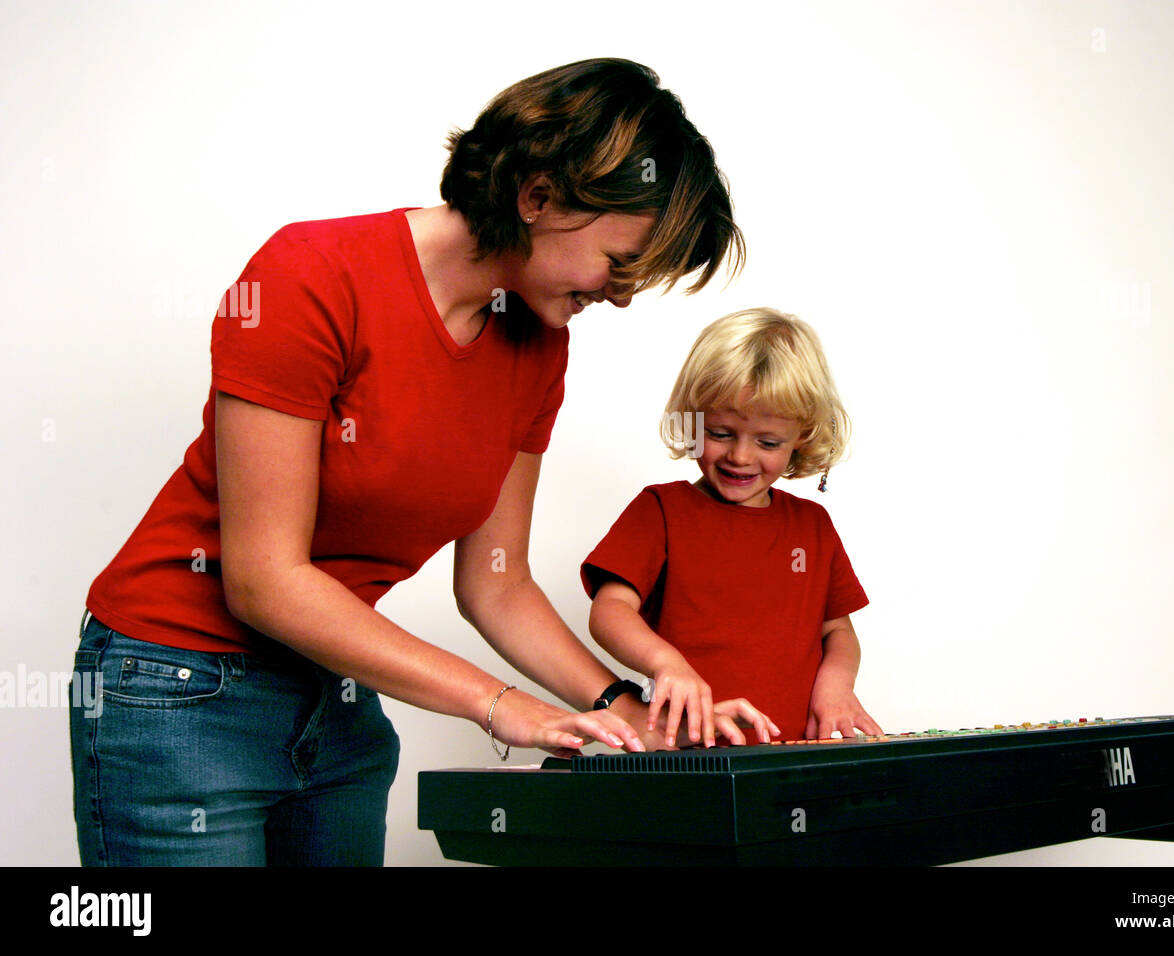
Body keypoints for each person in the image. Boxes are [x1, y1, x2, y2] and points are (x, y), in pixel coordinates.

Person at [70, 58, 743, 866]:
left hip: (337, 695)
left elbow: (496, 581)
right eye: (622, 263)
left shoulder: (540, 344)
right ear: (538, 197)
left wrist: (622, 708)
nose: (626, 296)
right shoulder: (311, 276)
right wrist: (497, 704)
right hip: (177, 688)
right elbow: (263, 578)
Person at [582, 308, 884, 748]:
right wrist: (667, 663)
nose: (740, 457)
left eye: (767, 442)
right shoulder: (662, 510)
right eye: (721, 433)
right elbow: (609, 611)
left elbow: (838, 630)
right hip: (684, 759)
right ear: (691, 421)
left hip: (790, 757)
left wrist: (836, 686)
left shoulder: (811, 525)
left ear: (802, 436)